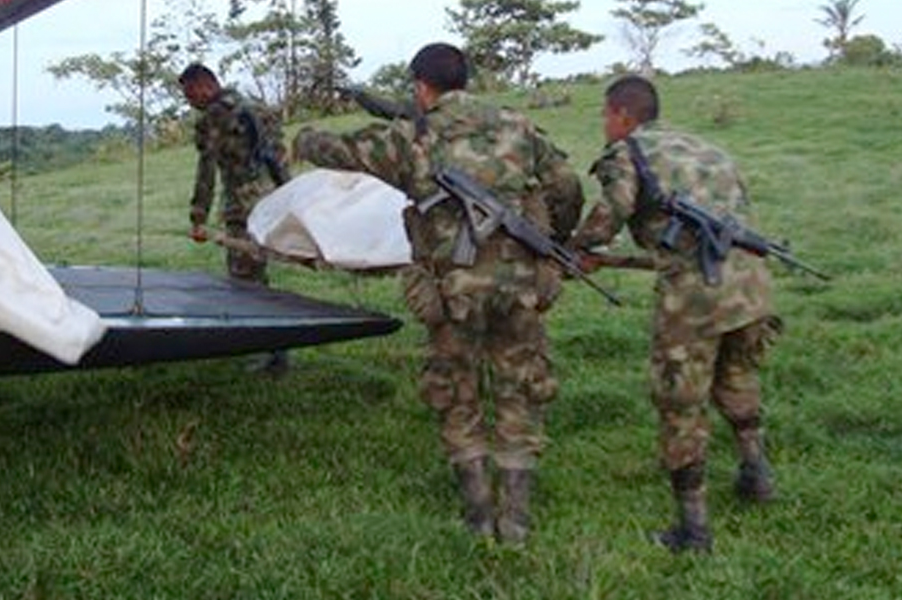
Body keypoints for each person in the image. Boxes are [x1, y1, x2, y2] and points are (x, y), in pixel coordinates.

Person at [292, 43, 584, 544]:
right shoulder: (518, 126)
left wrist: (305, 137)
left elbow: (340, 153)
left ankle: (476, 513)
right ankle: (514, 519)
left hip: (452, 291)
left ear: (421, 86)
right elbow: (567, 186)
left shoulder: (412, 136)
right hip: (520, 287)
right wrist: (552, 241)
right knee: (520, 391)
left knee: (455, 392)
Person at [569, 74, 781, 553]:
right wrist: (612, 260)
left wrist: (576, 245)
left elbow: (614, 210)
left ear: (622, 114)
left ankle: (693, 530)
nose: (604, 124)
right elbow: (696, 238)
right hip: (750, 285)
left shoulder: (627, 152)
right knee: (737, 377)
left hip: (694, 300)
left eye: (605, 114)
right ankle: (757, 476)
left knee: (680, 404)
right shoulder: (705, 149)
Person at [178, 63, 291, 375]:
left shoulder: (213, 117)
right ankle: (271, 347)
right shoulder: (255, 105)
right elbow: (280, 154)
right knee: (256, 275)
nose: (191, 102)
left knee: (246, 281)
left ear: (205, 85)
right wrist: (288, 195)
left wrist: (198, 216)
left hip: (244, 208)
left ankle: (274, 353)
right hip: (271, 199)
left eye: (190, 95)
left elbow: (206, 171)